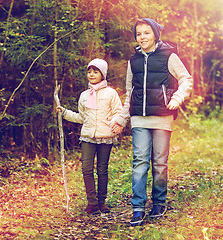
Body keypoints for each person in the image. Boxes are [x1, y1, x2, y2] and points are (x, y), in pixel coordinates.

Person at [110, 18, 193, 226]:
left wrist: (177, 97)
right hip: (139, 118)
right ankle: (138, 207)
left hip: (162, 117)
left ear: (155, 34)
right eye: (139, 34)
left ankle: (159, 202)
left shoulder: (169, 55)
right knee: (139, 162)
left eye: (146, 33)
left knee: (159, 163)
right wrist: (121, 118)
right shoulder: (133, 60)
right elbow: (130, 93)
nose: (142, 37)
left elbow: (186, 79)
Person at [57, 58, 123, 215]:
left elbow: (119, 112)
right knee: (86, 168)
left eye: (96, 71)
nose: (92, 74)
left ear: (103, 74)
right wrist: (65, 113)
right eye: (89, 72)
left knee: (102, 169)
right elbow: (82, 117)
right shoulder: (84, 95)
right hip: (87, 137)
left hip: (106, 136)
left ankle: (102, 202)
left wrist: (115, 123)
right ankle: (92, 203)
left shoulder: (111, 93)